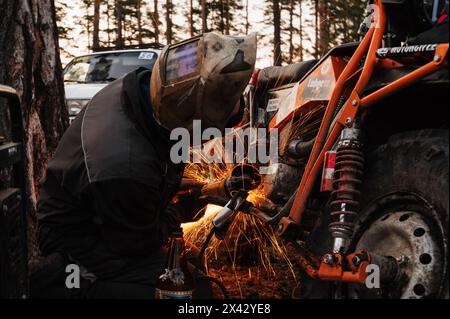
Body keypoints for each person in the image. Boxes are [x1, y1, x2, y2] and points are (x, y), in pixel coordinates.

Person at [30, 32, 257, 299]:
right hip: (81, 241)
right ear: (186, 120)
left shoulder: (141, 89)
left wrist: (190, 189)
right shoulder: (123, 164)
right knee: (194, 292)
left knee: (192, 259)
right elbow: (138, 241)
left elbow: (149, 172)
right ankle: (73, 287)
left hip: (105, 212)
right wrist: (181, 207)